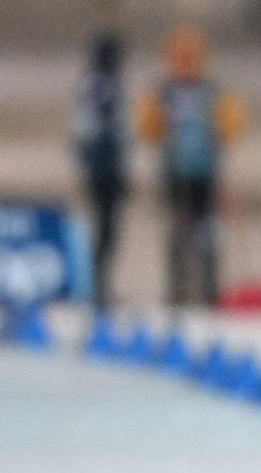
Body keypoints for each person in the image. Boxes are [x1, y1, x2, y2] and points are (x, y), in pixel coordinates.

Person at [137, 25, 246, 306]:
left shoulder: (211, 90)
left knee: (207, 232)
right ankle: (178, 287)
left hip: (205, 172)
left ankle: (207, 288)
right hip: (175, 171)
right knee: (178, 231)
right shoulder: (164, 90)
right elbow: (149, 127)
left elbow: (230, 125)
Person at [73, 33, 129, 308]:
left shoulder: (93, 83)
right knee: (105, 228)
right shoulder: (101, 85)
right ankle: (97, 285)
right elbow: (104, 129)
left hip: (100, 164)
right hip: (104, 165)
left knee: (106, 228)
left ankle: (98, 284)